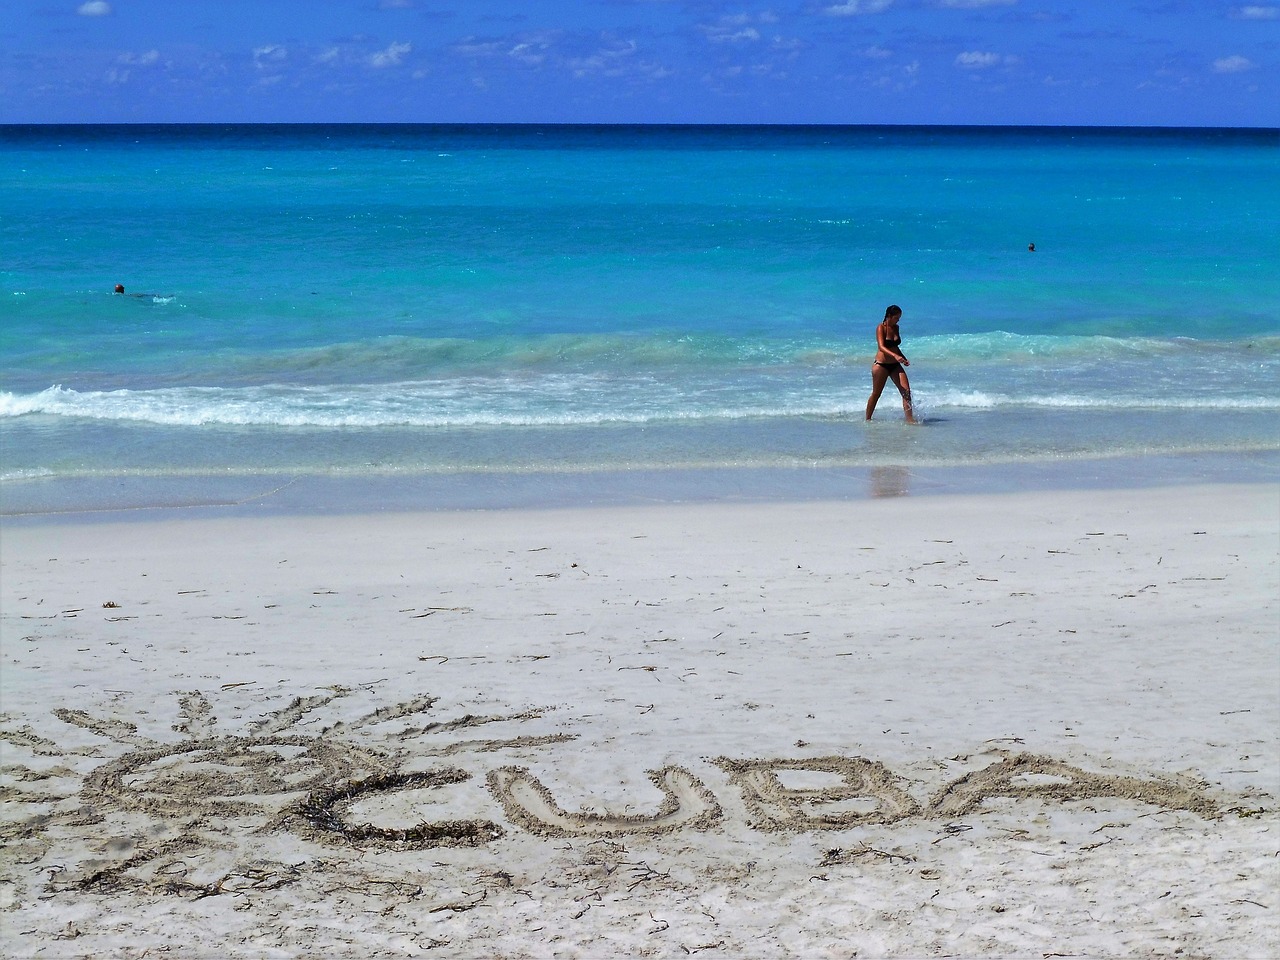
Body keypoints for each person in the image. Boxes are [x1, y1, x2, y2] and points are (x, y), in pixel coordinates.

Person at [865, 304, 916, 424]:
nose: (898, 320)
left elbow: (895, 347)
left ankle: (910, 420)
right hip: (881, 365)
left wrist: (903, 357)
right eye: (896, 317)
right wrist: (895, 356)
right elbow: (881, 347)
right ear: (889, 316)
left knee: (906, 391)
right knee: (876, 393)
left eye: (899, 318)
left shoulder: (896, 328)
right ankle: (867, 419)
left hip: (895, 365)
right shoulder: (881, 328)